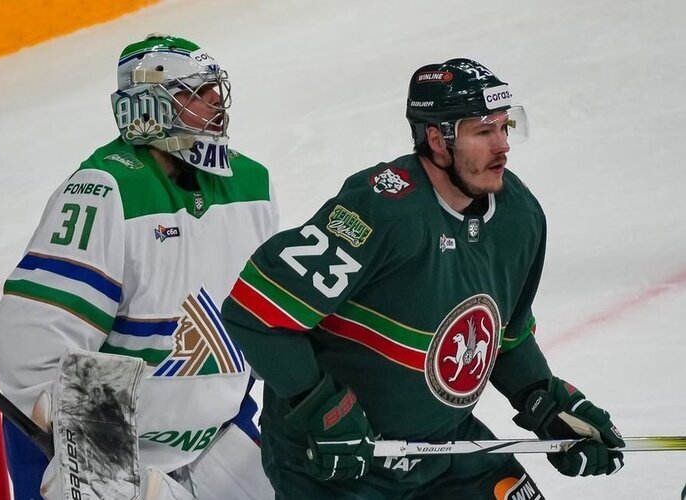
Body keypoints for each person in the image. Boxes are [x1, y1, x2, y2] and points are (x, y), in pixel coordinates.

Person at [220, 58, 624, 499]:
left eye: (505, 126)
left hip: (446, 449)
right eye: (483, 132)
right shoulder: (382, 210)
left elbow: (504, 334)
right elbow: (255, 313)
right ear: (437, 139)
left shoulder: (518, 215)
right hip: (340, 462)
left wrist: (543, 399)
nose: (503, 145)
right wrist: (320, 408)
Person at [0, 34, 276, 499]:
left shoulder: (252, 185)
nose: (215, 103)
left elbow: (258, 327)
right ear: (146, 108)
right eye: (194, 94)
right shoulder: (104, 191)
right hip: (99, 448)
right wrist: (108, 469)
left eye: (214, 89)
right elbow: (30, 356)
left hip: (212, 435)